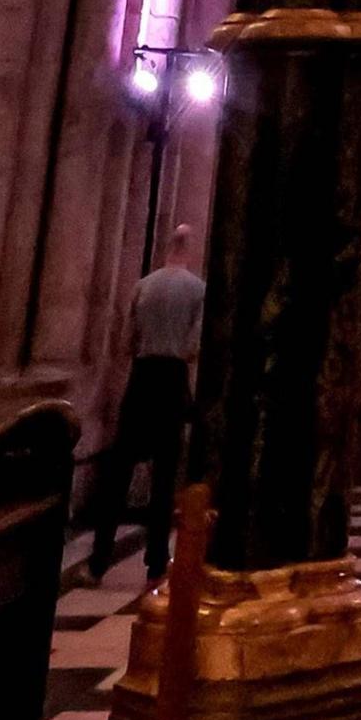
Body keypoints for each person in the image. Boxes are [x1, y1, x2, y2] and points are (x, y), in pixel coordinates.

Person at [89, 222, 206, 582]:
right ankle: (156, 560)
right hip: (170, 379)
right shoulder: (197, 289)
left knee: (120, 469)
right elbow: (193, 346)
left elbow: (126, 341)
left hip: (141, 378)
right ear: (191, 250)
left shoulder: (144, 285)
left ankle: (99, 558)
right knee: (165, 473)